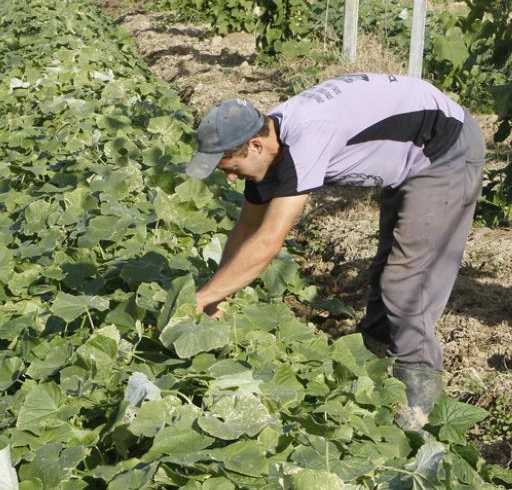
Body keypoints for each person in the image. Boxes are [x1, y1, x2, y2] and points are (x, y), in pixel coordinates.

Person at [186, 73, 485, 432]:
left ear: (254, 145)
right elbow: (247, 228)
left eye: (231, 169)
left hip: (443, 149)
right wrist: (217, 293)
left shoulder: (307, 138)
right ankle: (371, 360)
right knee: (386, 271)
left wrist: (202, 297)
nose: (230, 179)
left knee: (407, 283)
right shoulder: (272, 144)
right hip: (409, 154)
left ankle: (419, 404)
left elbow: (268, 241)